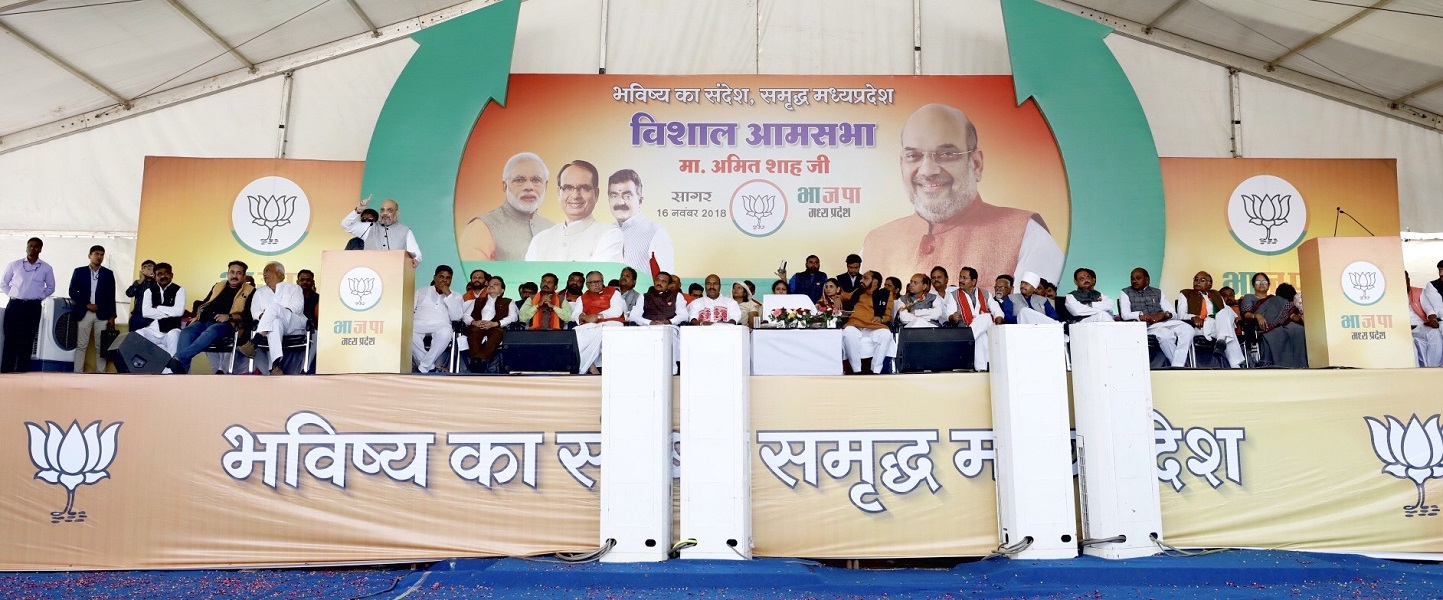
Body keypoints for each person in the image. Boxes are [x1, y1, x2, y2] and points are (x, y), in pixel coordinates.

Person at [861, 103, 1063, 286]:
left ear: (976, 164)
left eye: (947, 154)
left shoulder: (1026, 233)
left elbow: (1030, 317)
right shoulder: (875, 242)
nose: (927, 170)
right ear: (901, 163)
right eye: (913, 156)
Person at [459, 152, 554, 261]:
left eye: (536, 180)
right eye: (519, 180)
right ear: (505, 186)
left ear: (545, 186)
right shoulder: (481, 227)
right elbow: (472, 275)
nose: (528, 187)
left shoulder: (553, 229)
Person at [526, 160, 622, 262]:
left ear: (596, 194)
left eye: (584, 188)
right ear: (559, 192)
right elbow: (529, 278)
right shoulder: (539, 241)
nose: (575, 195)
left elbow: (603, 276)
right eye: (568, 187)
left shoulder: (609, 235)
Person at [168, 261, 254, 374]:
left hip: (228, 325)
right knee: (187, 332)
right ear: (227, 273)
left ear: (243, 276)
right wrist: (199, 315)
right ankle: (181, 370)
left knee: (211, 330)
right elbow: (206, 302)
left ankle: (179, 358)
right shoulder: (218, 286)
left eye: (238, 273)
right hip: (205, 320)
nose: (234, 276)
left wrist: (229, 316)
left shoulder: (250, 291)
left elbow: (248, 315)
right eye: (232, 272)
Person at [596, 169, 675, 276]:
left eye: (627, 196)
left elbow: (667, 280)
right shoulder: (605, 233)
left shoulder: (657, 233)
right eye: (614, 196)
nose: (620, 202)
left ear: (640, 200)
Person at [1119, 267, 1192, 368]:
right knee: (1166, 336)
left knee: (1188, 329)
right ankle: (1179, 367)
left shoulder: (1158, 292)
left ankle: (1177, 364)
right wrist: (1143, 317)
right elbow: (1125, 314)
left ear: (1147, 280)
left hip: (1163, 323)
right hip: (1145, 326)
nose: (1134, 281)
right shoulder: (1125, 292)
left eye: (1138, 278)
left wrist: (1165, 315)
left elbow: (1173, 314)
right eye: (1132, 278)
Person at [1, 238, 56, 373]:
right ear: (26, 247)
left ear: (40, 249)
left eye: (36, 246)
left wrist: (38, 297)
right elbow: (3, 283)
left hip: (33, 307)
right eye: (30, 246)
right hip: (15, 305)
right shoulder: (14, 265)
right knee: (10, 338)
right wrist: (14, 295)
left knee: (28, 339)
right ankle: (6, 370)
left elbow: (51, 287)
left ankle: (21, 371)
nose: (33, 248)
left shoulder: (46, 268)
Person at [246, 261, 306, 375]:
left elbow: (297, 307)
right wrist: (263, 316)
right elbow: (255, 311)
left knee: (273, 308)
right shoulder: (260, 292)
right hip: (272, 327)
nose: (264, 274)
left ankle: (254, 342)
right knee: (275, 323)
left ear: (280, 273)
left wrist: (276, 312)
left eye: (268, 271)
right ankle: (276, 366)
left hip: (294, 323)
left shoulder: (294, 288)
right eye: (263, 272)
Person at [1176, 271, 1244, 368]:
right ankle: (1234, 363)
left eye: (1202, 280)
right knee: (1227, 330)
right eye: (1196, 279)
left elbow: (1226, 312)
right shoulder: (1186, 293)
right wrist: (1193, 317)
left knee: (1225, 312)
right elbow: (1181, 315)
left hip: (1217, 325)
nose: (1197, 282)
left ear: (1210, 284)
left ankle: (1221, 341)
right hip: (1201, 326)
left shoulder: (1216, 294)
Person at [68, 245, 117, 373]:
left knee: (101, 346)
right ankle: (78, 373)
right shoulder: (79, 271)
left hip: (103, 314)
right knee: (81, 345)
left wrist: (112, 316)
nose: (99, 257)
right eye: (96, 253)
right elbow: (72, 291)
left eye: (101, 254)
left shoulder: (108, 273)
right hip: (84, 312)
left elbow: (112, 295)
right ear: (89, 255)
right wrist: (86, 304)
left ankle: (101, 373)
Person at [947, 266, 1004, 370]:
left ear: (973, 281)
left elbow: (996, 310)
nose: (961, 280)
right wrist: (952, 317)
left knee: (986, 317)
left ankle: (966, 341)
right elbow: (949, 314)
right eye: (960, 277)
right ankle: (982, 368)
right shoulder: (954, 295)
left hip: (987, 328)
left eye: (964, 278)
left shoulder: (986, 293)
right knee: (980, 338)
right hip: (966, 328)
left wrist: (999, 320)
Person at [342, 196, 422, 268]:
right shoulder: (370, 227)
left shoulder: (405, 231)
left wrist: (416, 260)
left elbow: (416, 254)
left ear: (397, 213)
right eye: (382, 210)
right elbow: (346, 225)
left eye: (389, 210)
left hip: (394, 275)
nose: (385, 213)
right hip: (371, 274)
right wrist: (358, 210)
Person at [840, 270, 895, 374]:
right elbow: (843, 295)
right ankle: (857, 370)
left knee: (886, 334)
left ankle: (876, 371)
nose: (861, 280)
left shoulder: (885, 294)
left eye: (865, 278)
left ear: (875, 282)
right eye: (862, 278)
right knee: (848, 332)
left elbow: (888, 316)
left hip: (873, 326)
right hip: (855, 324)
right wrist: (838, 299)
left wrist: (881, 319)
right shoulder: (858, 291)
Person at [629, 271, 688, 366]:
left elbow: (684, 315)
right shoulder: (644, 296)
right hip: (648, 327)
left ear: (669, 285)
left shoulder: (677, 296)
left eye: (663, 281)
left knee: (668, 335)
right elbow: (634, 316)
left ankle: (671, 371)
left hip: (669, 327)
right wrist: (649, 322)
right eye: (658, 280)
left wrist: (668, 321)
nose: (659, 283)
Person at [412, 265, 464, 373]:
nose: (444, 280)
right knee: (408, 334)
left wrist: (448, 294)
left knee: (446, 334)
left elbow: (456, 317)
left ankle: (424, 366)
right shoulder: (421, 291)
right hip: (419, 323)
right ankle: (428, 366)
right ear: (435, 277)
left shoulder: (456, 296)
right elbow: (410, 309)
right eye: (441, 277)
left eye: (448, 278)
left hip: (441, 325)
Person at [573, 271, 627, 374]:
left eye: (599, 281)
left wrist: (598, 316)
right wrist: (584, 317)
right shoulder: (582, 297)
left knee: (604, 333)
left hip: (611, 323)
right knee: (576, 334)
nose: (597, 284)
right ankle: (590, 365)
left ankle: (610, 370)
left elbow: (617, 310)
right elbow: (575, 314)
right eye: (593, 282)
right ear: (587, 284)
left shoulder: (613, 292)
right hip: (591, 325)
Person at [134, 263, 185, 366]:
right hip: (153, 330)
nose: (163, 276)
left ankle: (171, 370)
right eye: (159, 274)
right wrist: (169, 313)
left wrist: (159, 307)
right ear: (155, 276)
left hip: (172, 329)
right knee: (138, 334)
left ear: (171, 275)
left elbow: (179, 312)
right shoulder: (149, 291)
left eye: (166, 273)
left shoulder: (179, 290)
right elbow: (146, 312)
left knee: (174, 335)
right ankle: (147, 367)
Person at [462, 275, 516, 372]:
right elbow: (466, 316)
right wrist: (474, 322)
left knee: (498, 333)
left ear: (502, 290)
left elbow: (513, 317)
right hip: (478, 326)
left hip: (496, 327)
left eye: (495, 284)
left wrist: (496, 323)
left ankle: (480, 361)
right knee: (474, 331)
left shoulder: (508, 302)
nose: (491, 286)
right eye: (490, 284)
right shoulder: (477, 301)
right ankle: (479, 361)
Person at [1250, 282, 1306, 368]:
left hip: (1268, 331)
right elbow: (1293, 317)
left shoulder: (1267, 301)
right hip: (1275, 328)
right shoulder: (1280, 301)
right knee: (1299, 330)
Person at [1407, 272, 1442, 367]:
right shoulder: (1389, 295)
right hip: (1400, 327)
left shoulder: (1417, 292)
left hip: (1419, 326)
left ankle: (1432, 367)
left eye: (1407, 279)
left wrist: (1433, 319)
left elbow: (1428, 307)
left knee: (1435, 334)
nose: (1406, 282)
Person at [125, 259, 158, 333]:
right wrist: (141, 279)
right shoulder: (139, 282)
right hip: (137, 316)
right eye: (144, 267)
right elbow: (129, 293)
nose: (147, 268)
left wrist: (155, 277)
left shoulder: (159, 283)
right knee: (134, 340)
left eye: (150, 266)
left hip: (152, 318)